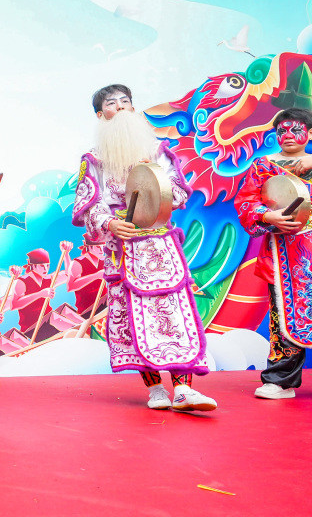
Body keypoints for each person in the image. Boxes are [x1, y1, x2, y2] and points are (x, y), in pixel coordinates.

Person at [72, 84, 215, 412]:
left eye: (126, 102)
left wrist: (153, 176)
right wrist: (109, 223)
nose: (121, 108)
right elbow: (88, 203)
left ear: (134, 109)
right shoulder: (94, 159)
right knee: (131, 319)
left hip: (161, 247)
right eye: (112, 104)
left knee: (173, 315)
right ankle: (155, 389)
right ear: (101, 115)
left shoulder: (157, 151)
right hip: (122, 251)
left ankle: (183, 390)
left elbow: (178, 194)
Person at [234, 107, 312, 399]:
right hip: (284, 253)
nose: (288, 135)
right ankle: (279, 381)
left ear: (310, 133)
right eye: (282, 131)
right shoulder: (264, 166)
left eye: (296, 129)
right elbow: (246, 201)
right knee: (283, 317)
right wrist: (268, 216)